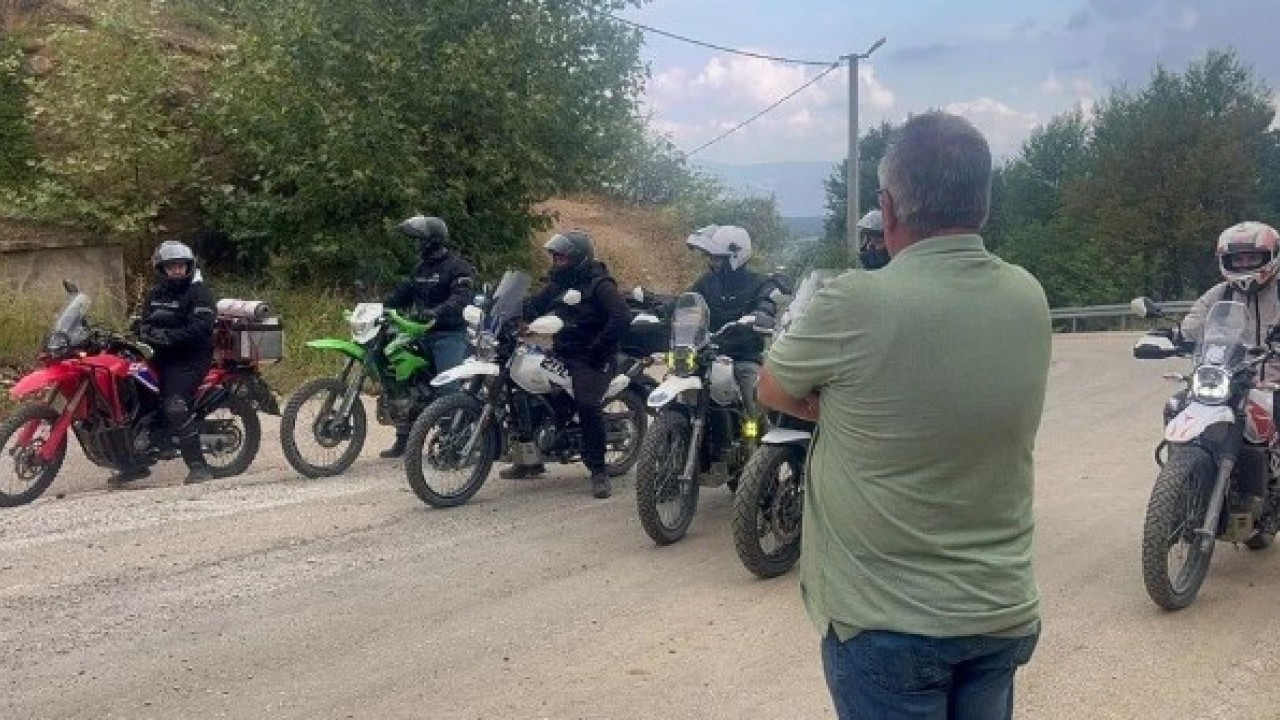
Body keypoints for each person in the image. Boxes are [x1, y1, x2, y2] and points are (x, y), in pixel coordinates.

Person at [756, 111, 1051, 720]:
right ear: (983, 205)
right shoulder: (1028, 293)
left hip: (888, 622)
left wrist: (833, 405)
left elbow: (772, 388)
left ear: (888, 209)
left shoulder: (855, 300)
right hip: (1000, 610)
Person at [500, 230, 630, 499]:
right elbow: (535, 305)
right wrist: (509, 315)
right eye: (555, 257)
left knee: (586, 404)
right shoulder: (560, 281)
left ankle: (598, 471)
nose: (556, 262)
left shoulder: (600, 284)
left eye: (561, 258)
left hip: (595, 356)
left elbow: (620, 316)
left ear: (578, 258)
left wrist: (598, 348)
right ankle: (530, 459)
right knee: (524, 388)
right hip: (564, 351)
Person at [380, 215, 476, 458]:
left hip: (449, 334)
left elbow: (461, 298)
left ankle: (457, 439)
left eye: (418, 240)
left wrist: (436, 312)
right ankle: (404, 437)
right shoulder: (420, 268)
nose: (415, 245)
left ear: (431, 240)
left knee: (447, 386)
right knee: (403, 380)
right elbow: (404, 293)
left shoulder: (458, 267)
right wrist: (379, 305)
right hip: (418, 332)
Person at [132, 240, 218, 485]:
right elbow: (146, 321)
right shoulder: (155, 293)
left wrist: (169, 337)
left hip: (190, 358)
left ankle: (198, 466)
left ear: (188, 266)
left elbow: (202, 326)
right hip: (158, 355)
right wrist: (141, 330)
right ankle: (134, 462)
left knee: (174, 405)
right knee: (133, 398)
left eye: (181, 266)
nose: (177, 271)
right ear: (162, 269)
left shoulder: (198, 292)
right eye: (172, 267)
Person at [684, 224, 784, 417]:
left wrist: (762, 312)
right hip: (707, 354)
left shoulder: (759, 283)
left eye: (717, 258)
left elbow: (768, 300)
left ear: (735, 256)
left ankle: (761, 443)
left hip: (743, 357)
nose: (712, 263)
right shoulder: (707, 281)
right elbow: (686, 300)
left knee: (755, 400)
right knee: (681, 384)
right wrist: (657, 308)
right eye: (711, 257)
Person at [1181, 221, 1280, 381]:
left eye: (1253, 258)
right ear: (1226, 261)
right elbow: (1191, 328)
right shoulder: (1219, 294)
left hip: (1275, 386)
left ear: (1272, 255)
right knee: (1177, 404)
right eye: (1238, 260)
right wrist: (1170, 336)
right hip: (1230, 383)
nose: (1244, 264)